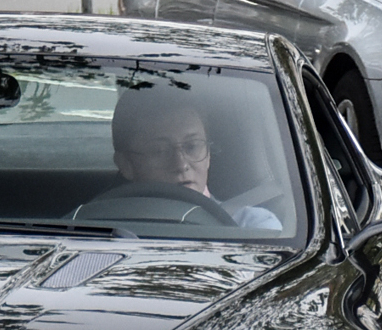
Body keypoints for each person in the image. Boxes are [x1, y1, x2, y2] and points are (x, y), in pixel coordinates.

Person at [109, 90, 283, 230]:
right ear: (126, 164)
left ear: (208, 155)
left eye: (192, 146)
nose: (181, 164)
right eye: (160, 151)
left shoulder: (252, 226)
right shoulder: (100, 230)